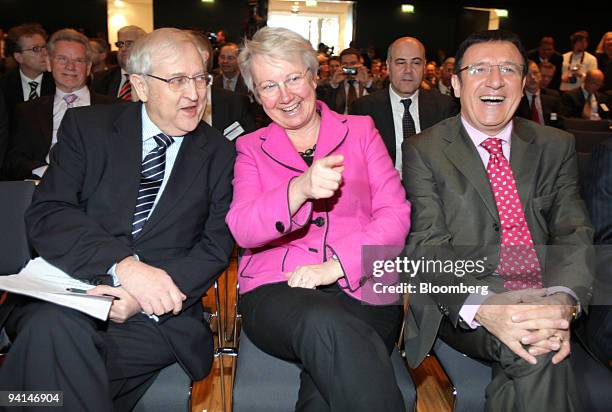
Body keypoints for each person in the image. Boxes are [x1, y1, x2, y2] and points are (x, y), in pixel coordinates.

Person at [0, 28, 235, 411]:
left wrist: (141, 299)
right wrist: (122, 266)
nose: (194, 93)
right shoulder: (87, 129)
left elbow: (215, 247)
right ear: (140, 85)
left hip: (154, 318)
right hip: (69, 291)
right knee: (52, 331)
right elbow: (49, 213)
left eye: (199, 78)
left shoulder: (221, 154)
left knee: (42, 363)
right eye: (177, 80)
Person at [402, 30, 593, 411]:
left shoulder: (555, 145)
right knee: (539, 345)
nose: (494, 80)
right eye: (479, 70)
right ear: (455, 84)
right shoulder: (424, 150)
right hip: (464, 299)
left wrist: (560, 301)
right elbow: (427, 247)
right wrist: (488, 307)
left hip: (543, 291)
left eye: (508, 69)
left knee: (536, 345)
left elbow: (574, 231)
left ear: (523, 84)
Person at [225, 26, 410, 411]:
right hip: (278, 290)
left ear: (313, 75)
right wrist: (298, 190)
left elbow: (395, 213)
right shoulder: (249, 148)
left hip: (364, 287)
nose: (285, 95)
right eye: (269, 86)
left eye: (293, 78)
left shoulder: (360, 131)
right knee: (326, 325)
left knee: (323, 388)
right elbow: (242, 227)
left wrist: (336, 265)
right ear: (256, 95)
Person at [3, 29, 115, 181]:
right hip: (46, 187)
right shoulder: (28, 111)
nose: (70, 67)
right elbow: (13, 162)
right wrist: (47, 173)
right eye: (62, 59)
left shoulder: (114, 109)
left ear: (88, 67)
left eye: (78, 60)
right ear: (49, 63)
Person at [350, 37, 458, 176]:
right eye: (400, 63)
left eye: (416, 63)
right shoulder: (364, 109)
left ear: (424, 66)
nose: (408, 70)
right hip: (382, 192)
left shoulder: (444, 107)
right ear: (388, 66)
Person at [0, 24, 55, 119]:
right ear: (19, 57)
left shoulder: (57, 81)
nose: (45, 53)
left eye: (45, 47)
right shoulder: (3, 85)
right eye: (36, 49)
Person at [91, 25, 146, 101]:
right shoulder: (100, 80)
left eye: (129, 44)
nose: (123, 49)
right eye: (120, 44)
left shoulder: (154, 78)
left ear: (144, 47)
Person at [318, 47, 376, 114]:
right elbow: (325, 107)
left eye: (353, 63)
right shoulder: (333, 84)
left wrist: (367, 83)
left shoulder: (368, 82)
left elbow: (380, 101)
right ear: (340, 65)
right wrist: (334, 85)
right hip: (339, 122)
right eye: (345, 64)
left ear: (360, 63)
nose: (349, 67)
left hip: (363, 121)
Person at [514, 60, 562, 127]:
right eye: (528, 74)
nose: (533, 77)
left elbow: (555, 119)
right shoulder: (517, 99)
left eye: (535, 73)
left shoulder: (552, 96)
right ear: (522, 78)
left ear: (540, 75)